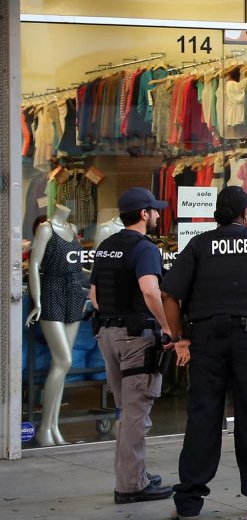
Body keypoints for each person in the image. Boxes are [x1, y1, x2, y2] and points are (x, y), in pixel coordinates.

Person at [161, 186, 247, 519]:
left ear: (217, 215)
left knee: (203, 417)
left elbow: (169, 294)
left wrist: (179, 338)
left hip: (206, 340)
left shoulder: (199, 245)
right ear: (245, 212)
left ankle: (189, 502)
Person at [89, 188, 174, 503]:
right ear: (143, 214)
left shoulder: (106, 247)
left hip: (108, 335)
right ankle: (131, 486)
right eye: (154, 210)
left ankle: (133, 474)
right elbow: (150, 291)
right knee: (137, 413)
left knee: (126, 411)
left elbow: (95, 297)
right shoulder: (145, 249)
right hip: (136, 338)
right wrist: (168, 327)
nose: (157, 215)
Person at [25, 203, 88, 447]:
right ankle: (44, 428)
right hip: (52, 291)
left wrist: (97, 276)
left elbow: (77, 265)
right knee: (64, 361)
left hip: (74, 292)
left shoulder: (73, 228)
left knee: (60, 365)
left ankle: (54, 428)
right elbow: (34, 264)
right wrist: (38, 301)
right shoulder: (46, 228)